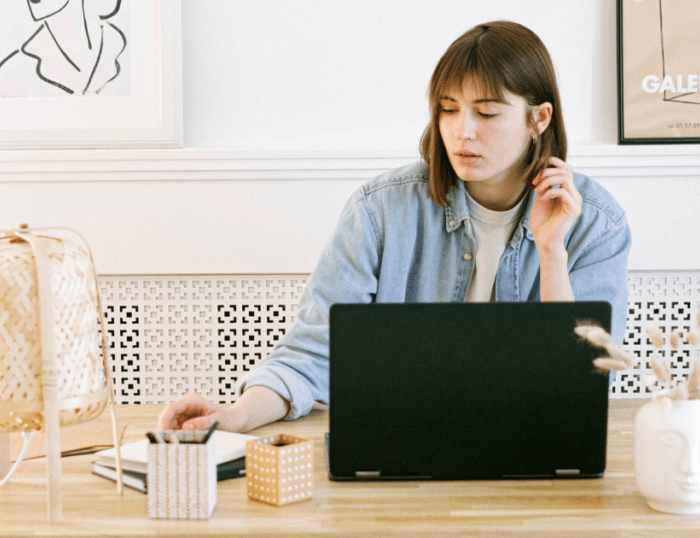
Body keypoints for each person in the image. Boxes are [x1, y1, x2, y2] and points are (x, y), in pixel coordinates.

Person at [158, 20, 631, 433]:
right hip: (403, 443)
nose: (461, 131)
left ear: (538, 118)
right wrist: (235, 416)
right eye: (448, 109)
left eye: (485, 112)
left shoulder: (595, 224)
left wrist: (551, 253)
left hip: (530, 445)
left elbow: (578, 385)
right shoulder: (380, 210)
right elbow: (313, 352)